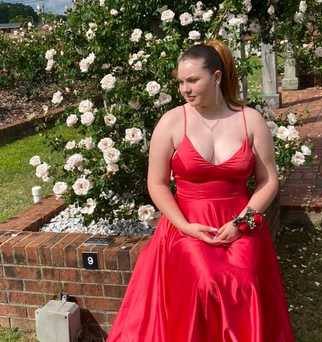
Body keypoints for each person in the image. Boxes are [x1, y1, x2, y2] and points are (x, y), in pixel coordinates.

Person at [106, 40, 295, 342]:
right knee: (203, 282)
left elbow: (268, 180)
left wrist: (242, 223)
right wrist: (184, 227)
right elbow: (156, 183)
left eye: (193, 80)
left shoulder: (250, 120)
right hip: (186, 224)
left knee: (244, 281)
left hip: (240, 221)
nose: (185, 88)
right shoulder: (171, 123)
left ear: (217, 77)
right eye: (181, 82)